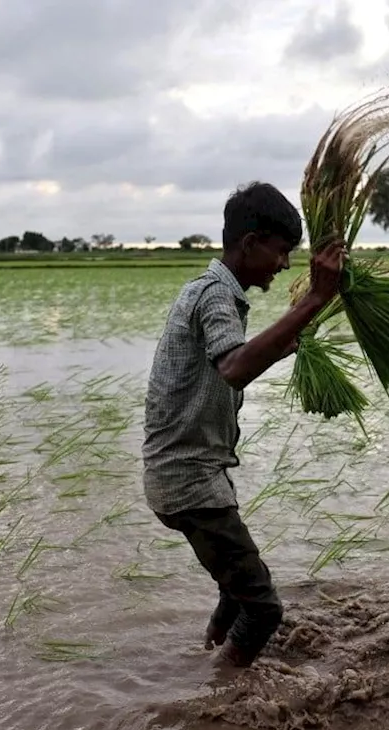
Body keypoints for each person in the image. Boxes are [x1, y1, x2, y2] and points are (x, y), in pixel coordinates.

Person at [141, 181, 345, 668]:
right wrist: (313, 299)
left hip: (193, 476)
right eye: (281, 252)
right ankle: (218, 698)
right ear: (250, 243)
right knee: (264, 608)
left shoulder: (213, 292)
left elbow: (232, 364)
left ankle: (206, 652)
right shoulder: (214, 295)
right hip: (188, 481)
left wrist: (295, 336)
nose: (284, 265)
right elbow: (235, 367)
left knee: (236, 593)